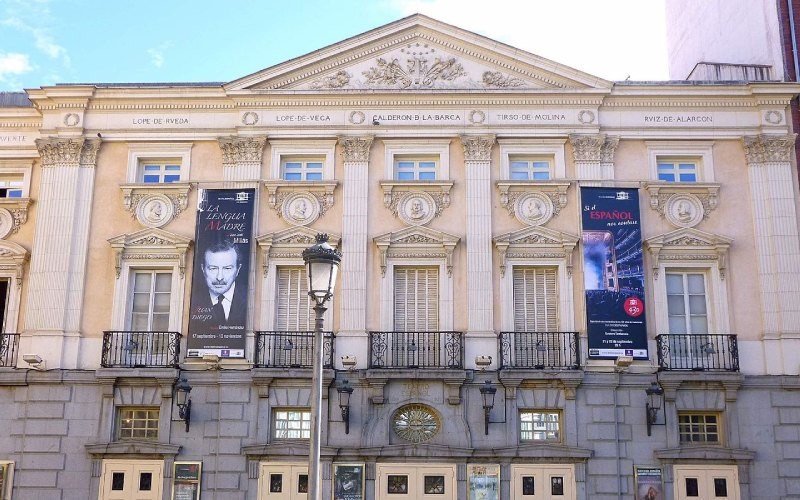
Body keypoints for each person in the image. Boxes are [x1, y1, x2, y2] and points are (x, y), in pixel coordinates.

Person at [192, 240, 247, 326]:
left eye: (227, 268)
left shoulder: (246, 298)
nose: (219, 277)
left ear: (238, 270)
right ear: (203, 269)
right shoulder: (194, 298)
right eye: (213, 268)